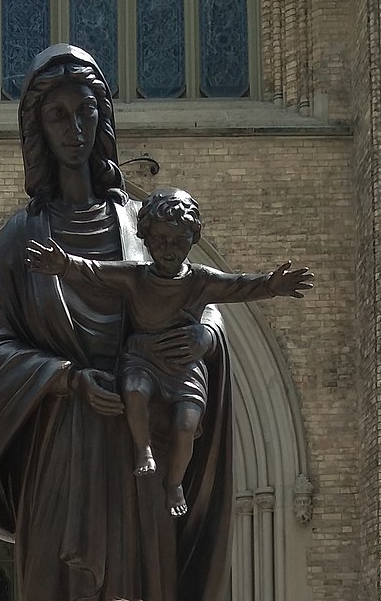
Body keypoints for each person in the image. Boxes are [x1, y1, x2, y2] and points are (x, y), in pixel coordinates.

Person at [0, 45, 235, 601]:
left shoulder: (138, 222)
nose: (74, 127)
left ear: (101, 117)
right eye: (57, 114)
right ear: (38, 125)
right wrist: (68, 379)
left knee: (139, 579)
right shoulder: (21, 236)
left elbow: (195, 296)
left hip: (138, 446)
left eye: (85, 111)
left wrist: (205, 334)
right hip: (60, 444)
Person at [26, 187, 313, 518]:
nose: (168, 248)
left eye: (178, 241)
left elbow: (237, 285)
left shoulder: (200, 281)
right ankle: (143, 448)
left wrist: (270, 286)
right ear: (146, 239)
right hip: (141, 359)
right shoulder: (134, 276)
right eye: (160, 239)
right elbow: (94, 272)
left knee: (187, 423)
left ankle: (174, 482)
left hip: (183, 369)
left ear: (192, 240)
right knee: (134, 390)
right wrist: (63, 264)